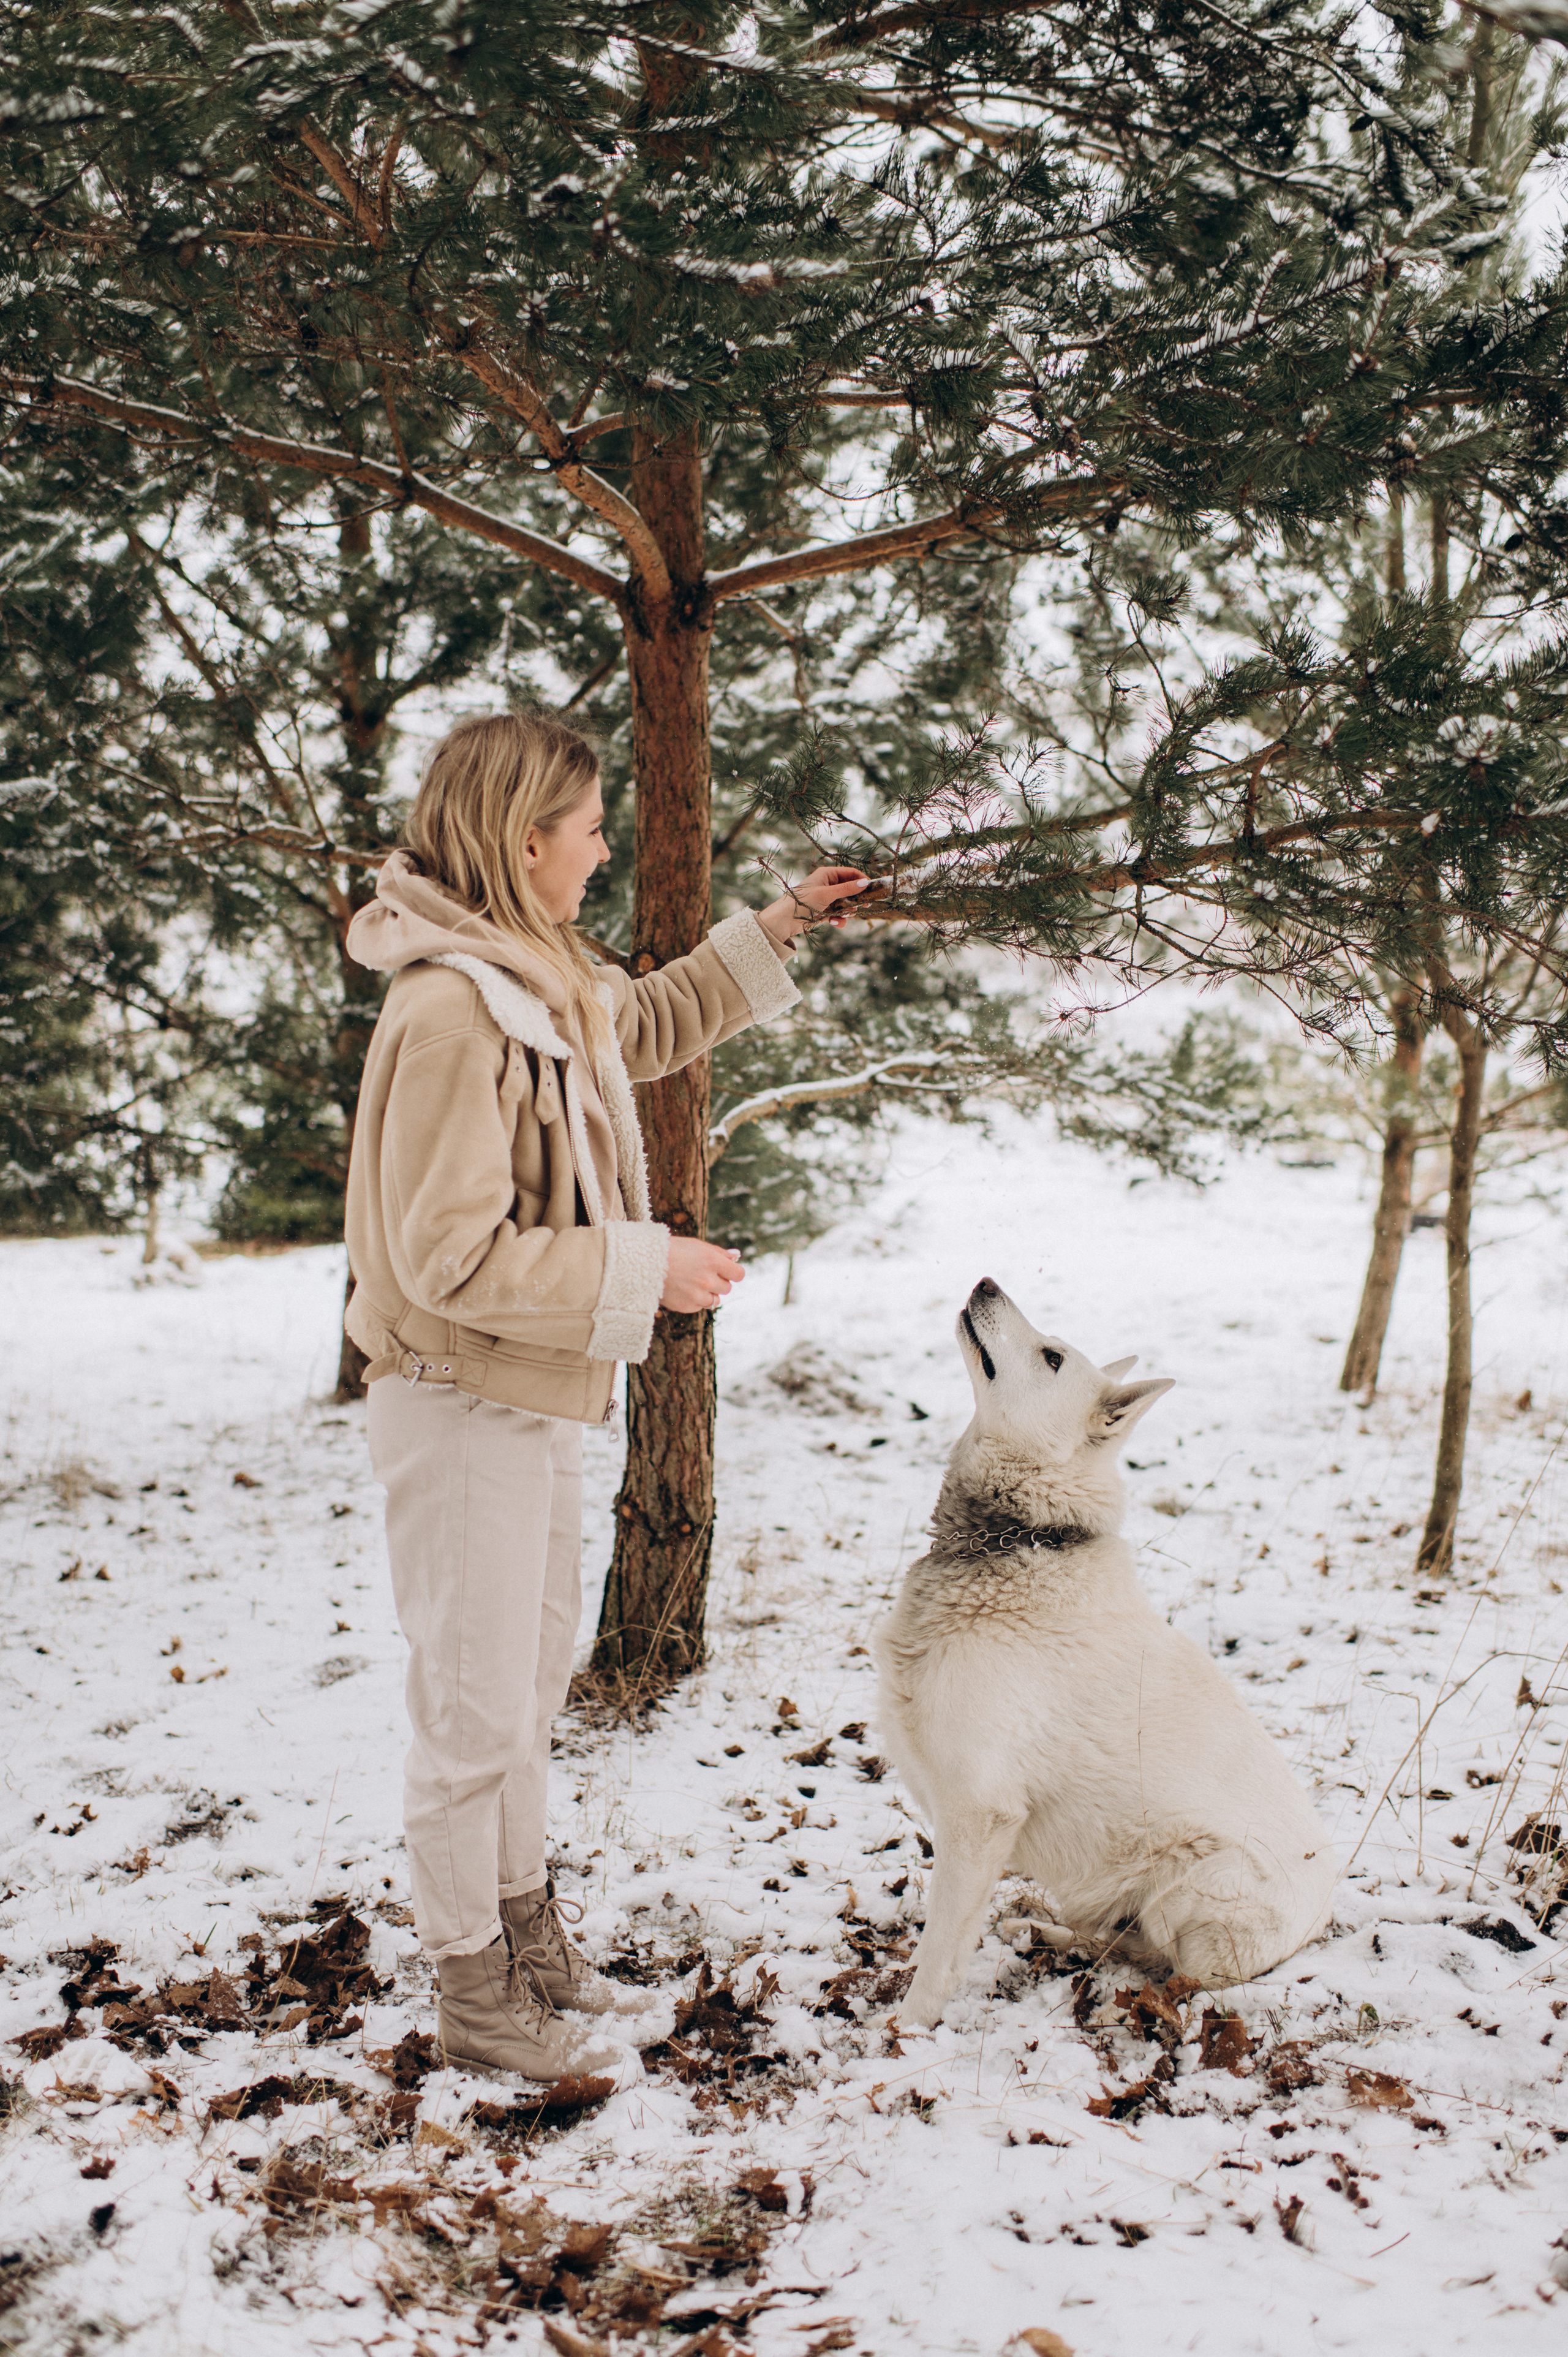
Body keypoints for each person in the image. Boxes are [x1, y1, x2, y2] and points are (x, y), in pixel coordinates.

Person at [342, 708, 867, 2081]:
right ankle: (475, 1996)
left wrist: (786, 919)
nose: (603, 849)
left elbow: (648, 1019)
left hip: (524, 1395)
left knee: (519, 1698)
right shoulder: (454, 1008)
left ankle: (532, 1952)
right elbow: (444, 1254)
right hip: (456, 1401)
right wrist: (650, 1263)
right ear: (526, 841)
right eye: (585, 829)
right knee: (471, 1717)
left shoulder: (534, 976)